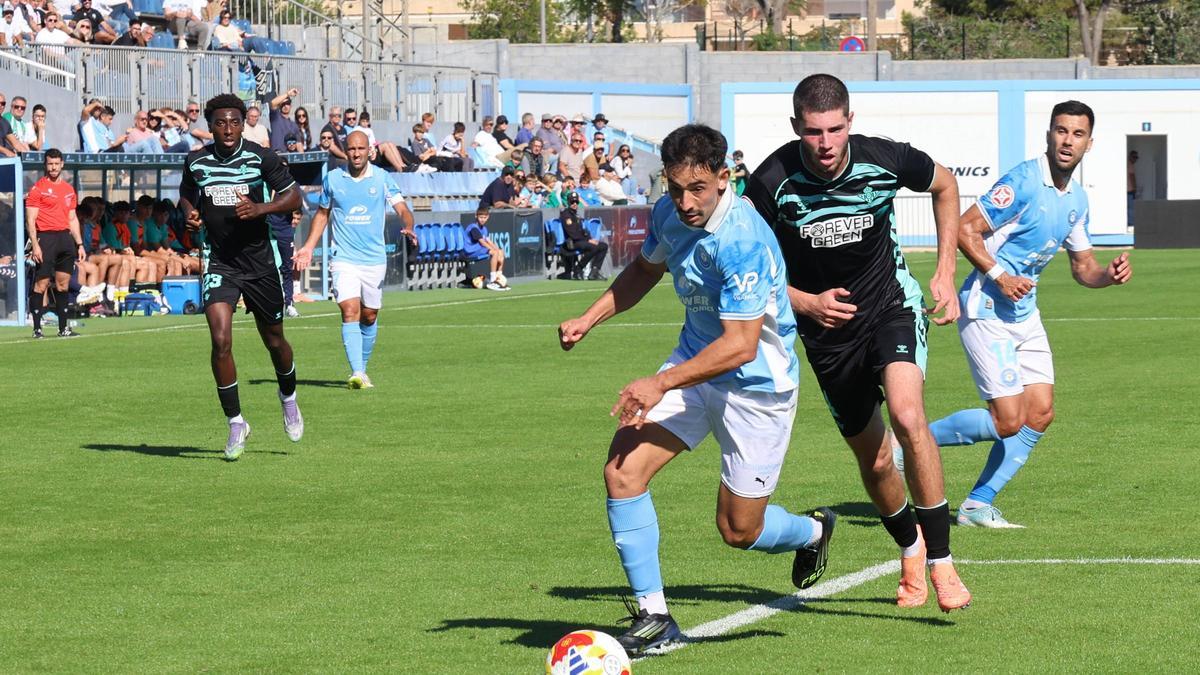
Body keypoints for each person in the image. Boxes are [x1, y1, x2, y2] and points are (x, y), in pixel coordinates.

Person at [558, 123, 834, 656]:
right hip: (693, 362)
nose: (685, 202)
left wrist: (659, 382)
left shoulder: (743, 239)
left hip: (756, 387)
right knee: (622, 469)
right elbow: (643, 271)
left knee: (738, 530)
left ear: (722, 179)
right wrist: (590, 318)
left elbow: (740, 346)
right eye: (676, 187)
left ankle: (812, 532)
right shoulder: (668, 212)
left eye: (698, 189)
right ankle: (654, 615)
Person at [744, 73, 970, 612]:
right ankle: (910, 550)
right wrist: (806, 302)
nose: (825, 144)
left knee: (909, 418)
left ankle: (942, 562)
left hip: (891, 308)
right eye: (814, 131)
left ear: (851, 122)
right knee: (874, 464)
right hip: (825, 336)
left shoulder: (883, 159)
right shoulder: (771, 181)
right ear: (796, 126)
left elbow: (946, 185)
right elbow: (749, 264)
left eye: (836, 129)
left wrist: (944, 269)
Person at [926, 100, 1133, 529]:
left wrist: (1107, 276)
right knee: (1008, 420)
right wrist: (1001, 276)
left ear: (1088, 144)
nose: (1067, 141)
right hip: (986, 308)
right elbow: (965, 228)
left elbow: (1083, 269)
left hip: (1025, 315)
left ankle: (976, 504)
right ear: (1048, 135)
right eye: (1060, 130)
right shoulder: (1023, 180)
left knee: (1039, 413)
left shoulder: (1075, 199)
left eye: (1077, 134)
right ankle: (911, 443)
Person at [178, 93, 304, 461]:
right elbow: (186, 195)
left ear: (242, 123)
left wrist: (262, 208)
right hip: (219, 262)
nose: (229, 129)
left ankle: (288, 397)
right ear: (211, 125)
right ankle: (235, 422)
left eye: (234, 122)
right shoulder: (196, 161)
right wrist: (189, 212)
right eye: (221, 123)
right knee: (220, 340)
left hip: (261, 263)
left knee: (275, 341)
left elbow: (293, 197)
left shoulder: (260, 157)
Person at [294, 130, 414, 388]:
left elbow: (402, 208)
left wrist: (409, 226)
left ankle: (363, 368)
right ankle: (357, 372)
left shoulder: (381, 178)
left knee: (369, 315)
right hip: (344, 258)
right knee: (350, 310)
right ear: (345, 151)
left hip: (373, 259)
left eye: (361, 149)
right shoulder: (333, 179)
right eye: (351, 149)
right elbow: (322, 214)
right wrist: (307, 247)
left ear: (369, 150)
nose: (356, 153)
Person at [25, 148, 84, 338]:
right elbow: (30, 220)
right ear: (45, 164)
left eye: (56, 164)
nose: (53, 167)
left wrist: (79, 243)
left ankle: (63, 328)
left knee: (63, 285)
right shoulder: (38, 189)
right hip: (46, 238)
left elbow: (72, 218)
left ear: (62, 164)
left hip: (64, 239)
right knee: (41, 284)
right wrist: (35, 244)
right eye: (50, 164)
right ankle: (36, 329)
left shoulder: (68, 189)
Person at [558, 191, 607, 280]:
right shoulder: (566, 215)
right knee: (593, 247)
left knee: (603, 246)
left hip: (581, 241)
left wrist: (590, 238)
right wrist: (588, 240)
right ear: (568, 202)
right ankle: (578, 269)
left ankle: (594, 272)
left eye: (576, 202)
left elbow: (582, 231)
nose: (575, 204)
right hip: (572, 242)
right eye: (572, 202)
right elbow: (573, 234)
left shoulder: (576, 215)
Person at [463, 205, 509, 291]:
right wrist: (495, 251)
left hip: (478, 249)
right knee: (495, 252)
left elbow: (489, 241)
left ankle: (499, 277)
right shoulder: (473, 228)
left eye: (484, 217)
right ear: (476, 216)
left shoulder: (484, 229)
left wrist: (498, 250)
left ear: (488, 217)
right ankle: (493, 280)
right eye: (480, 217)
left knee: (500, 251)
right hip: (470, 251)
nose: (482, 219)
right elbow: (482, 242)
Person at [268, 87, 301, 154]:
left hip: (290, 156)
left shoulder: (294, 125)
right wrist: (288, 94)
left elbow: (299, 144)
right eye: (283, 104)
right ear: (280, 106)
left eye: (288, 104)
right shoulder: (276, 117)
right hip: (277, 154)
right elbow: (272, 103)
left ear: (290, 106)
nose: (285, 106)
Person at [1126, 150, 1138, 228]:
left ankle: (1130, 223)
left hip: (1127, 190)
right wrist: (1135, 188)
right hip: (1130, 190)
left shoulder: (1127, 164)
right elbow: (1132, 177)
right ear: (1130, 157)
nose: (1135, 159)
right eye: (1134, 157)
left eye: (1136, 157)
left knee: (1129, 207)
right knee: (1131, 207)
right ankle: (1131, 224)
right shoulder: (1130, 165)